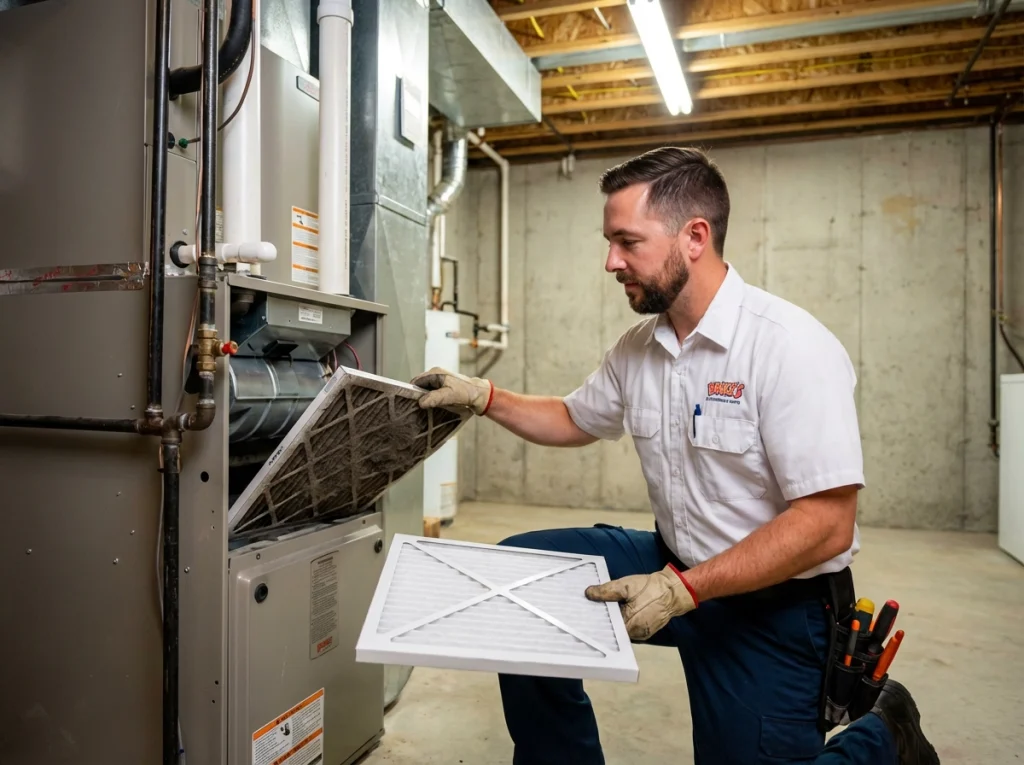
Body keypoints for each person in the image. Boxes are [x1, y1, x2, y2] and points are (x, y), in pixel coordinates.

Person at [410, 146, 939, 765]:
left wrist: (686, 589)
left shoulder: (789, 347)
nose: (611, 262)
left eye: (627, 242)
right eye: (609, 242)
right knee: (519, 577)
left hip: (775, 610)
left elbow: (826, 524)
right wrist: (485, 396)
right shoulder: (640, 347)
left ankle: (885, 734)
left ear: (694, 236)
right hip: (673, 563)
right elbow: (575, 417)